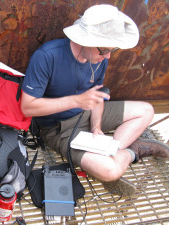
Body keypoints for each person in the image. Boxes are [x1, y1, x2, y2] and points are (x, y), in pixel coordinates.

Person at [21, 4, 169, 196]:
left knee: (146, 110)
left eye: (111, 50)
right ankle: (134, 151)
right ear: (85, 41)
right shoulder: (47, 56)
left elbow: (97, 96)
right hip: (59, 129)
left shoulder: (98, 58)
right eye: (103, 50)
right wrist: (76, 101)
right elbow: (27, 107)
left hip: (88, 114)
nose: (107, 56)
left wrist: (96, 127)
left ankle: (109, 152)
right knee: (110, 171)